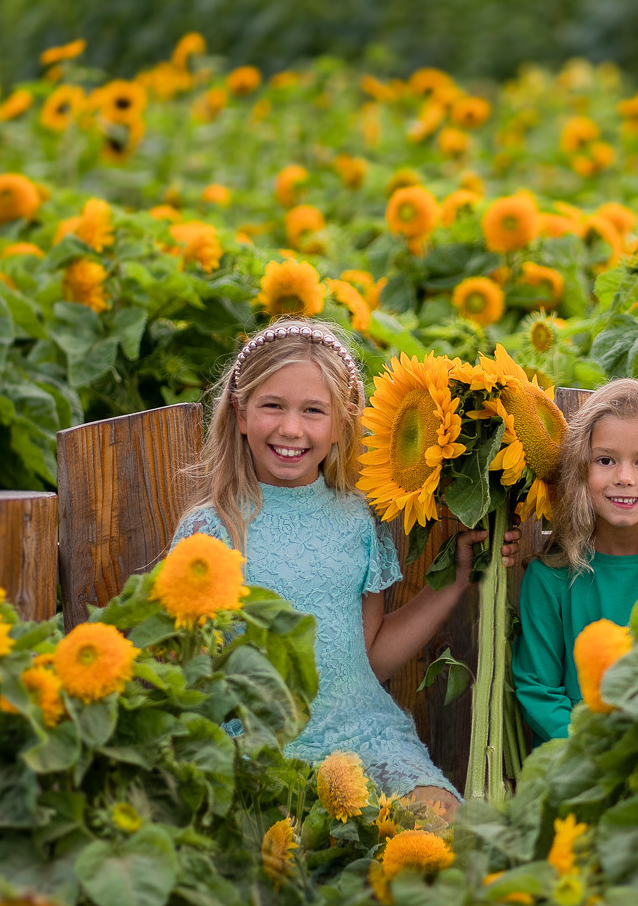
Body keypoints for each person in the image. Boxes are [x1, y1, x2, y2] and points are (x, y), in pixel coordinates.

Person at [169, 318, 480, 818]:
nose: (291, 428)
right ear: (241, 413)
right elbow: (191, 673)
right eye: (273, 406)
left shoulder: (358, 519)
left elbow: (371, 658)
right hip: (259, 748)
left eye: (313, 411)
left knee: (447, 826)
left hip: (366, 733)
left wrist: (456, 579)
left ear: (342, 422)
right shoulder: (211, 531)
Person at [513, 378, 638, 745]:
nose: (624, 477)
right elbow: (538, 690)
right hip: (581, 763)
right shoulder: (551, 579)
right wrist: (602, 756)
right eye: (605, 460)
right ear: (580, 472)